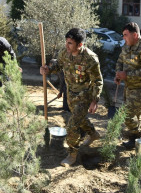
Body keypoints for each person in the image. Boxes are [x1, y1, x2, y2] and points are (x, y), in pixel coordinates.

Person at [40, 28, 103, 167]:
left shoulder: (90, 58)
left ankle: (72, 154)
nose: (66, 45)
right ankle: (93, 134)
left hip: (85, 96)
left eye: (70, 43)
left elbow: (98, 81)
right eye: (66, 42)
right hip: (70, 94)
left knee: (73, 125)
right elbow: (58, 65)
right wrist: (48, 69)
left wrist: (94, 100)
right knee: (79, 119)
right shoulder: (65, 53)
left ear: (79, 45)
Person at [114, 22, 141, 149]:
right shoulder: (127, 46)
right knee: (135, 113)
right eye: (123, 35)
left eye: (126, 35)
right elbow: (120, 61)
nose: (124, 38)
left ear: (135, 35)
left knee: (126, 114)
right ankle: (138, 140)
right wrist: (118, 74)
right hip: (130, 87)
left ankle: (136, 136)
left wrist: (125, 75)